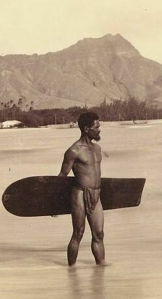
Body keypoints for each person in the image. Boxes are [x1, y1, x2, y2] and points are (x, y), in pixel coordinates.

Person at [58, 112, 106, 266]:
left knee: (99, 234)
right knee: (78, 233)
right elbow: (62, 175)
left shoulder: (97, 149)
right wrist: (54, 201)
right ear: (86, 128)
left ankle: (101, 269)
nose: (99, 130)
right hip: (79, 193)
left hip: (96, 194)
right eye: (96, 127)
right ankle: (71, 269)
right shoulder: (74, 151)